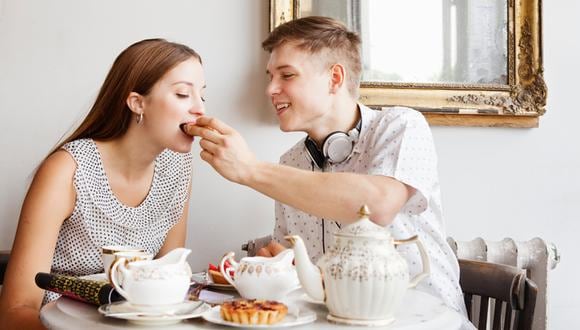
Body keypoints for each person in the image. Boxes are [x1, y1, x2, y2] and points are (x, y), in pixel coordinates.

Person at [185, 16, 471, 325]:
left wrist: (250, 169)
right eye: (270, 76)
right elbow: (295, 264)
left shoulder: (402, 125)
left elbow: (377, 206)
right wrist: (279, 264)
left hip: (426, 321)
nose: (270, 89)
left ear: (335, 79)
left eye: (287, 75)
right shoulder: (290, 163)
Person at [0, 38, 205, 328]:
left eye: (202, 96)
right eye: (183, 94)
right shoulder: (67, 170)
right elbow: (16, 309)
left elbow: (168, 282)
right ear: (137, 103)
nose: (199, 109)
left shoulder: (179, 168)